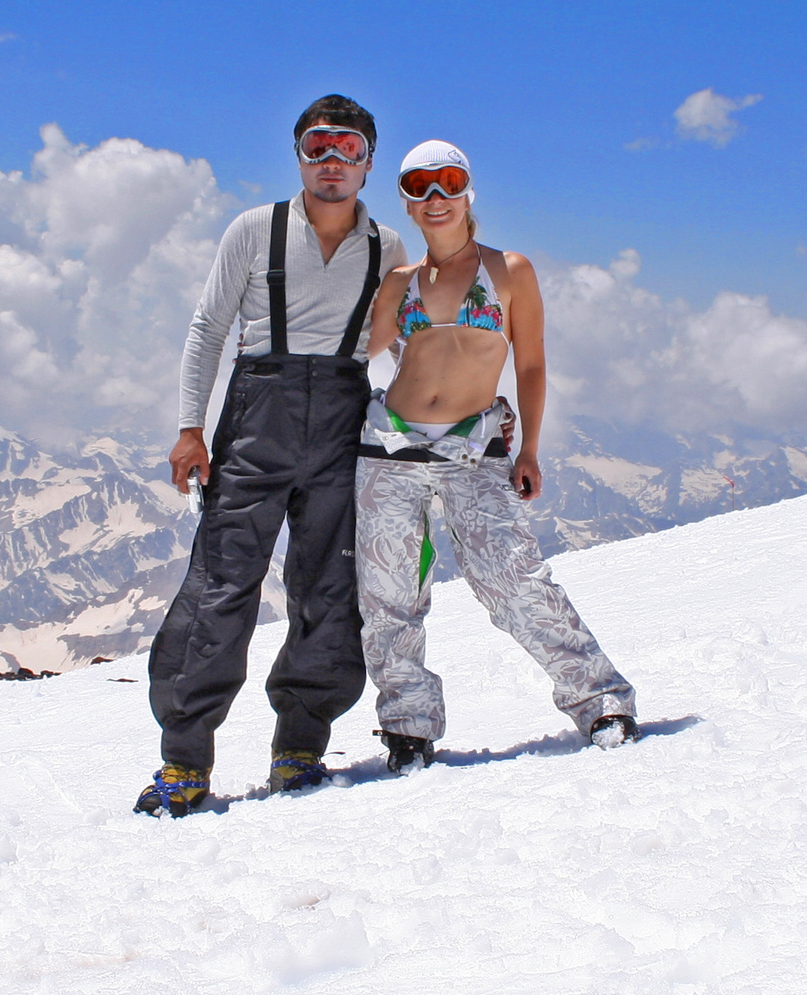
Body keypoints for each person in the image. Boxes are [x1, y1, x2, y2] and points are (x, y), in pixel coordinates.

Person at [135, 95, 404, 817]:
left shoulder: (387, 247)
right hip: (258, 418)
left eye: (347, 148)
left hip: (341, 421)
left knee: (327, 588)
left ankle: (299, 748)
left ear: (369, 162)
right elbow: (208, 328)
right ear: (298, 156)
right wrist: (191, 429)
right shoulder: (255, 229)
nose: (331, 162)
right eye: (317, 146)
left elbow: (406, 346)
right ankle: (184, 762)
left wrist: (452, 407)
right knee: (222, 585)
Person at [354, 139, 636, 772]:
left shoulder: (508, 272)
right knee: (388, 595)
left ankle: (600, 699)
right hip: (389, 450)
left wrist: (530, 447)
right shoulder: (399, 282)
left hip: (474, 450)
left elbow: (531, 364)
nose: (434, 198)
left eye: (447, 182)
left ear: (468, 191)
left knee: (514, 581)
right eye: (418, 186)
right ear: (404, 199)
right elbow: (355, 352)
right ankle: (407, 727)